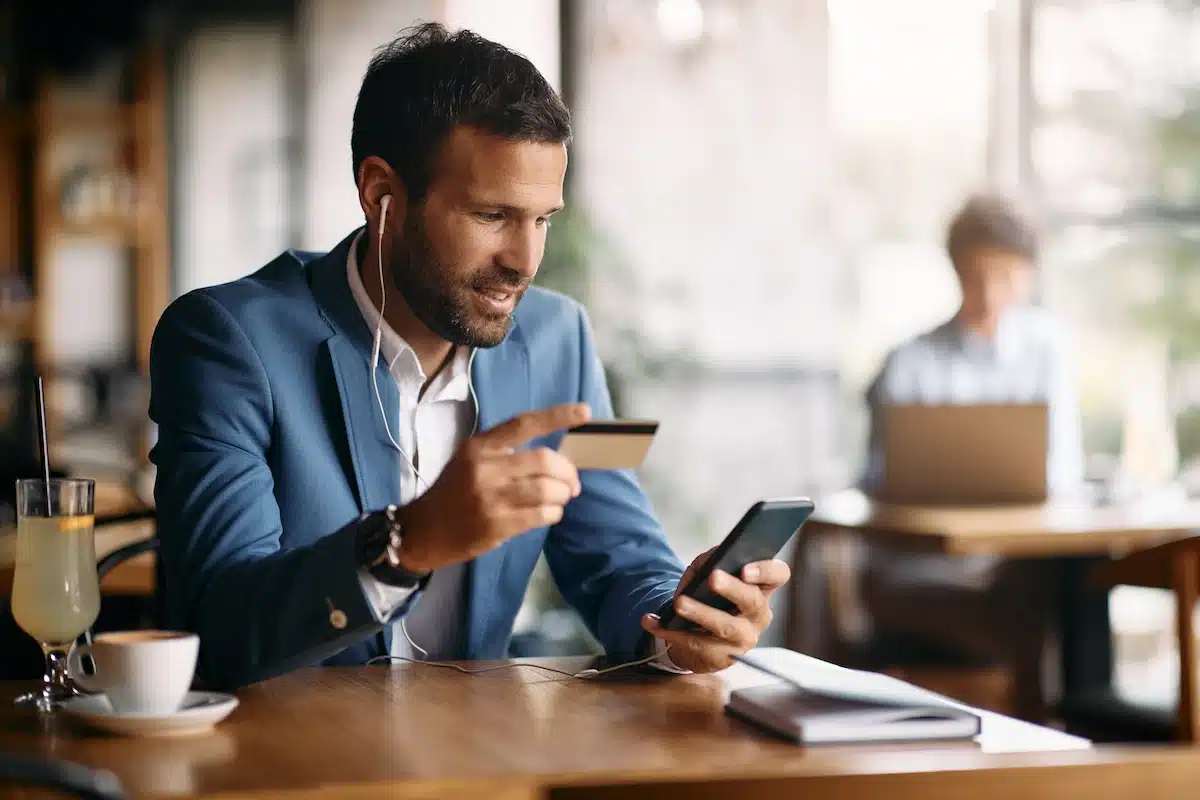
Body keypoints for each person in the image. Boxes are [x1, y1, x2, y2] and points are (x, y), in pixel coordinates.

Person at [148, 23, 790, 691]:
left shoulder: (560, 341)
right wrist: (406, 544)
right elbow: (214, 623)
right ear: (379, 194)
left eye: (544, 219)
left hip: (479, 767)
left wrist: (685, 620)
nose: (524, 261)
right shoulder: (224, 340)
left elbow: (621, 558)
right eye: (492, 216)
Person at [854, 192, 1085, 659]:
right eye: (975, 276)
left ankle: (1087, 720)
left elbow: (1062, 469)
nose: (989, 295)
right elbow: (877, 480)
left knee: (1082, 572)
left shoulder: (1048, 349)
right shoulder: (908, 364)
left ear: (1029, 276)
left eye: (1004, 276)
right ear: (955, 270)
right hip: (929, 560)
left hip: (1022, 557)